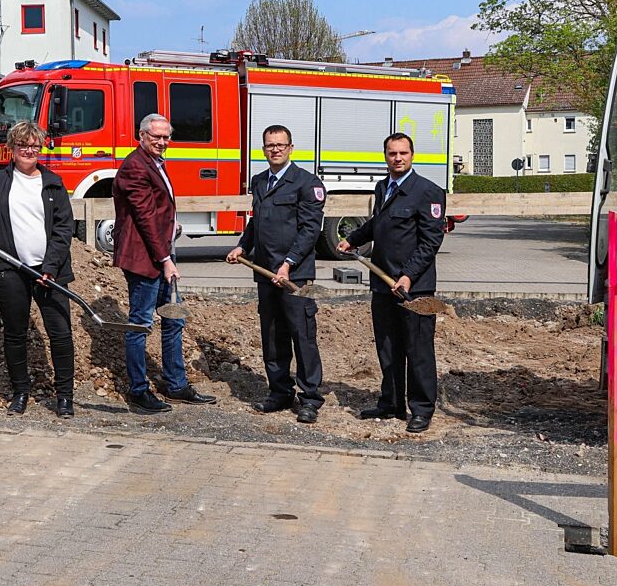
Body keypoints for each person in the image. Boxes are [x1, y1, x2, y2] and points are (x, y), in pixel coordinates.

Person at [0, 121, 77, 418]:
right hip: (8, 269)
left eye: (34, 146)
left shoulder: (52, 183)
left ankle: (64, 397)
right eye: (23, 145)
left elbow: (64, 229)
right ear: (12, 149)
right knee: (15, 334)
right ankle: (20, 393)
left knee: (61, 334)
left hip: (50, 272)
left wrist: (50, 268)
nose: (29, 150)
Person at [337, 132, 446, 433]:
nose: (397, 158)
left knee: (418, 349)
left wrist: (408, 275)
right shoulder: (383, 187)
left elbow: (430, 241)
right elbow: (378, 224)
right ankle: (392, 403)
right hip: (383, 284)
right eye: (391, 153)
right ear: (385, 156)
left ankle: (421, 409)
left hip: (415, 288)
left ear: (413, 155)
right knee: (388, 347)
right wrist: (353, 239)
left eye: (403, 153)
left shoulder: (428, 192)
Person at [113, 113, 216, 414]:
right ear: (141, 135)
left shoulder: (155, 162)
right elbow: (144, 218)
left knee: (174, 319)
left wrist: (172, 227)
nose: (161, 141)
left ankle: (176, 385)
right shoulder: (134, 166)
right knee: (140, 325)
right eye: (155, 136)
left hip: (160, 252)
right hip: (146, 258)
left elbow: (158, 210)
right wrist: (166, 259)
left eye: (166, 136)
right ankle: (138, 391)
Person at [226, 125, 326, 424]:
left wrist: (289, 263)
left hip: (295, 276)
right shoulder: (260, 182)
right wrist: (243, 246)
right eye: (270, 145)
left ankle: (309, 398)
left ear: (291, 148)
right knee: (272, 336)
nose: (275, 149)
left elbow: (311, 229)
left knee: (302, 335)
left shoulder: (307, 183)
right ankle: (279, 391)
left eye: (281, 145)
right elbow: (256, 224)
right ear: (263, 149)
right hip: (265, 271)